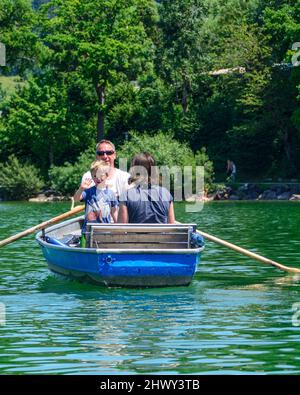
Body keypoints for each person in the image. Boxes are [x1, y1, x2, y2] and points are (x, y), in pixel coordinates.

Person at [117, 152, 175, 224]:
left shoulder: (126, 195)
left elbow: (120, 230)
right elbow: (172, 228)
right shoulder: (166, 194)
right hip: (161, 235)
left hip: (134, 235)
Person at [74, 160, 118, 235]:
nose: (98, 178)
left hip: (105, 231)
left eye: (101, 175)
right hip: (88, 231)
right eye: (95, 176)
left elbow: (114, 212)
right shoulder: (88, 191)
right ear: (92, 176)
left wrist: (118, 227)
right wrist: (81, 188)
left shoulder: (111, 194)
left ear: (107, 176)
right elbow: (76, 199)